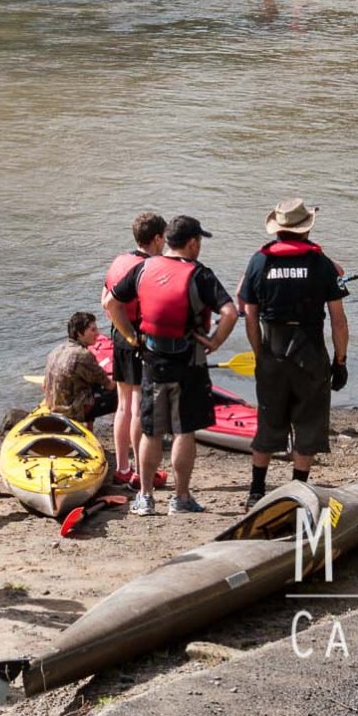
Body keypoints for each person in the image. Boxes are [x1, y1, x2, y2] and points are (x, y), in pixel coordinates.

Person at [103, 215, 237, 516]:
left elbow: (112, 303)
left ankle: (146, 498)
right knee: (184, 430)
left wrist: (130, 335)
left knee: (151, 431)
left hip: (152, 361)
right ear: (191, 243)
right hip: (190, 362)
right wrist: (214, 342)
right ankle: (181, 498)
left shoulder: (143, 268)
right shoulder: (201, 275)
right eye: (199, 241)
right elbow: (230, 312)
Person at [238, 200, 347, 509]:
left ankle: (256, 491)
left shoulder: (258, 262)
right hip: (310, 349)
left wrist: (260, 353)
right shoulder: (322, 264)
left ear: (278, 228)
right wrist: (340, 361)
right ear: (306, 227)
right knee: (308, 421)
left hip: (272, 347)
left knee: (268, 420)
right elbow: (339, 320)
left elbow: (249, 315)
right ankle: (298, 489)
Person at [102, 213, 165, 488]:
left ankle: (123, 468)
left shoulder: (119, 261)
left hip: (118, 337)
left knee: (123, 405)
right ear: (158, 238)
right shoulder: (150, 267)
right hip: (139, 339)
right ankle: (141, 472)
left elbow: (106, 302)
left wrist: (121, 329)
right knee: (139, 407)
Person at [43, 313, 116, 424]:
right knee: (122, 396)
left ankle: (89, 428)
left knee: (89, 385)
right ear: (79, 334)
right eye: (93, 330)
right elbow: (110, 385)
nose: (97, 333)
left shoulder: (56, 350)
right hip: (72, 411)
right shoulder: (83, 355)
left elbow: (44, 385)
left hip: (52, 405)